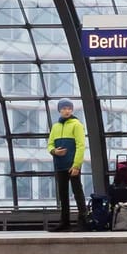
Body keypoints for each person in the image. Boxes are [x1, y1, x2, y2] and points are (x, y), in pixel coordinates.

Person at [47, 99, 87, 231]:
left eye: (69, 108)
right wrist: (54, 151)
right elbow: (50, 144)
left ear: (72, 110)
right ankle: (64, 222)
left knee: (77, 193)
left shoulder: (77, 125)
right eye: (64, 108)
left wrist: (76, 165)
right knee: (63, 194)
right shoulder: (55, 126)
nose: (66, 111)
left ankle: (83, 222)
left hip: (72, 165)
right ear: (59, 110)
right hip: (60, 165)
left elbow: (81, 146)